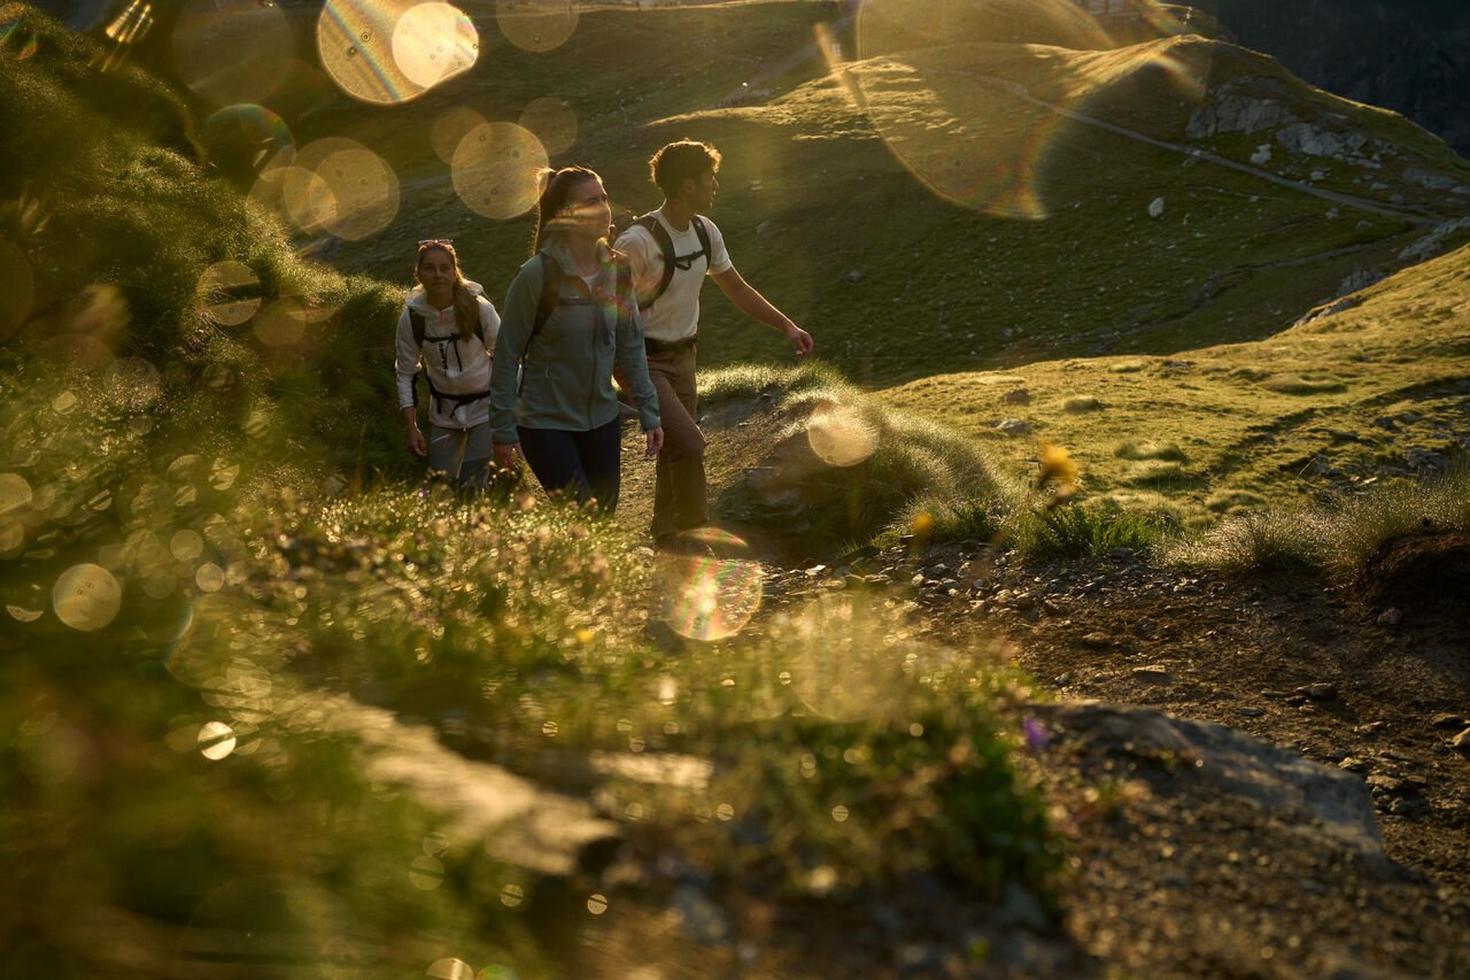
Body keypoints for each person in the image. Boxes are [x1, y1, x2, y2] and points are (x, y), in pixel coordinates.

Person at [614, 139, 813, 542]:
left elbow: (737, 288)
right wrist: (621, 372)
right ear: (687, 185)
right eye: (709, 179)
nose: (715, 187)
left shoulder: (706, 232)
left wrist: (787, 326)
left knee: (675, 449)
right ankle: (695, 532)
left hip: (685, 355)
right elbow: (606, 315)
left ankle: (666, 537)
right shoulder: (636, 243)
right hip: (644, 360)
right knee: (690, 444)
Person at [488, 166, 663, 513]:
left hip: (602, 419)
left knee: (602, 523)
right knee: (584, 518)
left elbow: (630, 345)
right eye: (590, 201)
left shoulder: (619, 269)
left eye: (604, 198)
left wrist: (650, 411)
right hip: (544, 423)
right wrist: (502, 429)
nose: (603, 207)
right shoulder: (537, 275)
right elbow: (507, 355)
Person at [394, 239, 502, 489]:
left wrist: (506, 410)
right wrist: (412, 427)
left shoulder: (479, 308)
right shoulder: (413, 318)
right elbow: (405, 372)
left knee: (473, 484)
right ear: (418, 273)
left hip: (485, 410)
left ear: (455, 272)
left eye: (444, 268)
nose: (438, 275)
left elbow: (504, 357)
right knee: (439, 486)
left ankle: (481, 524)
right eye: (429, 268)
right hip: (444, 413)